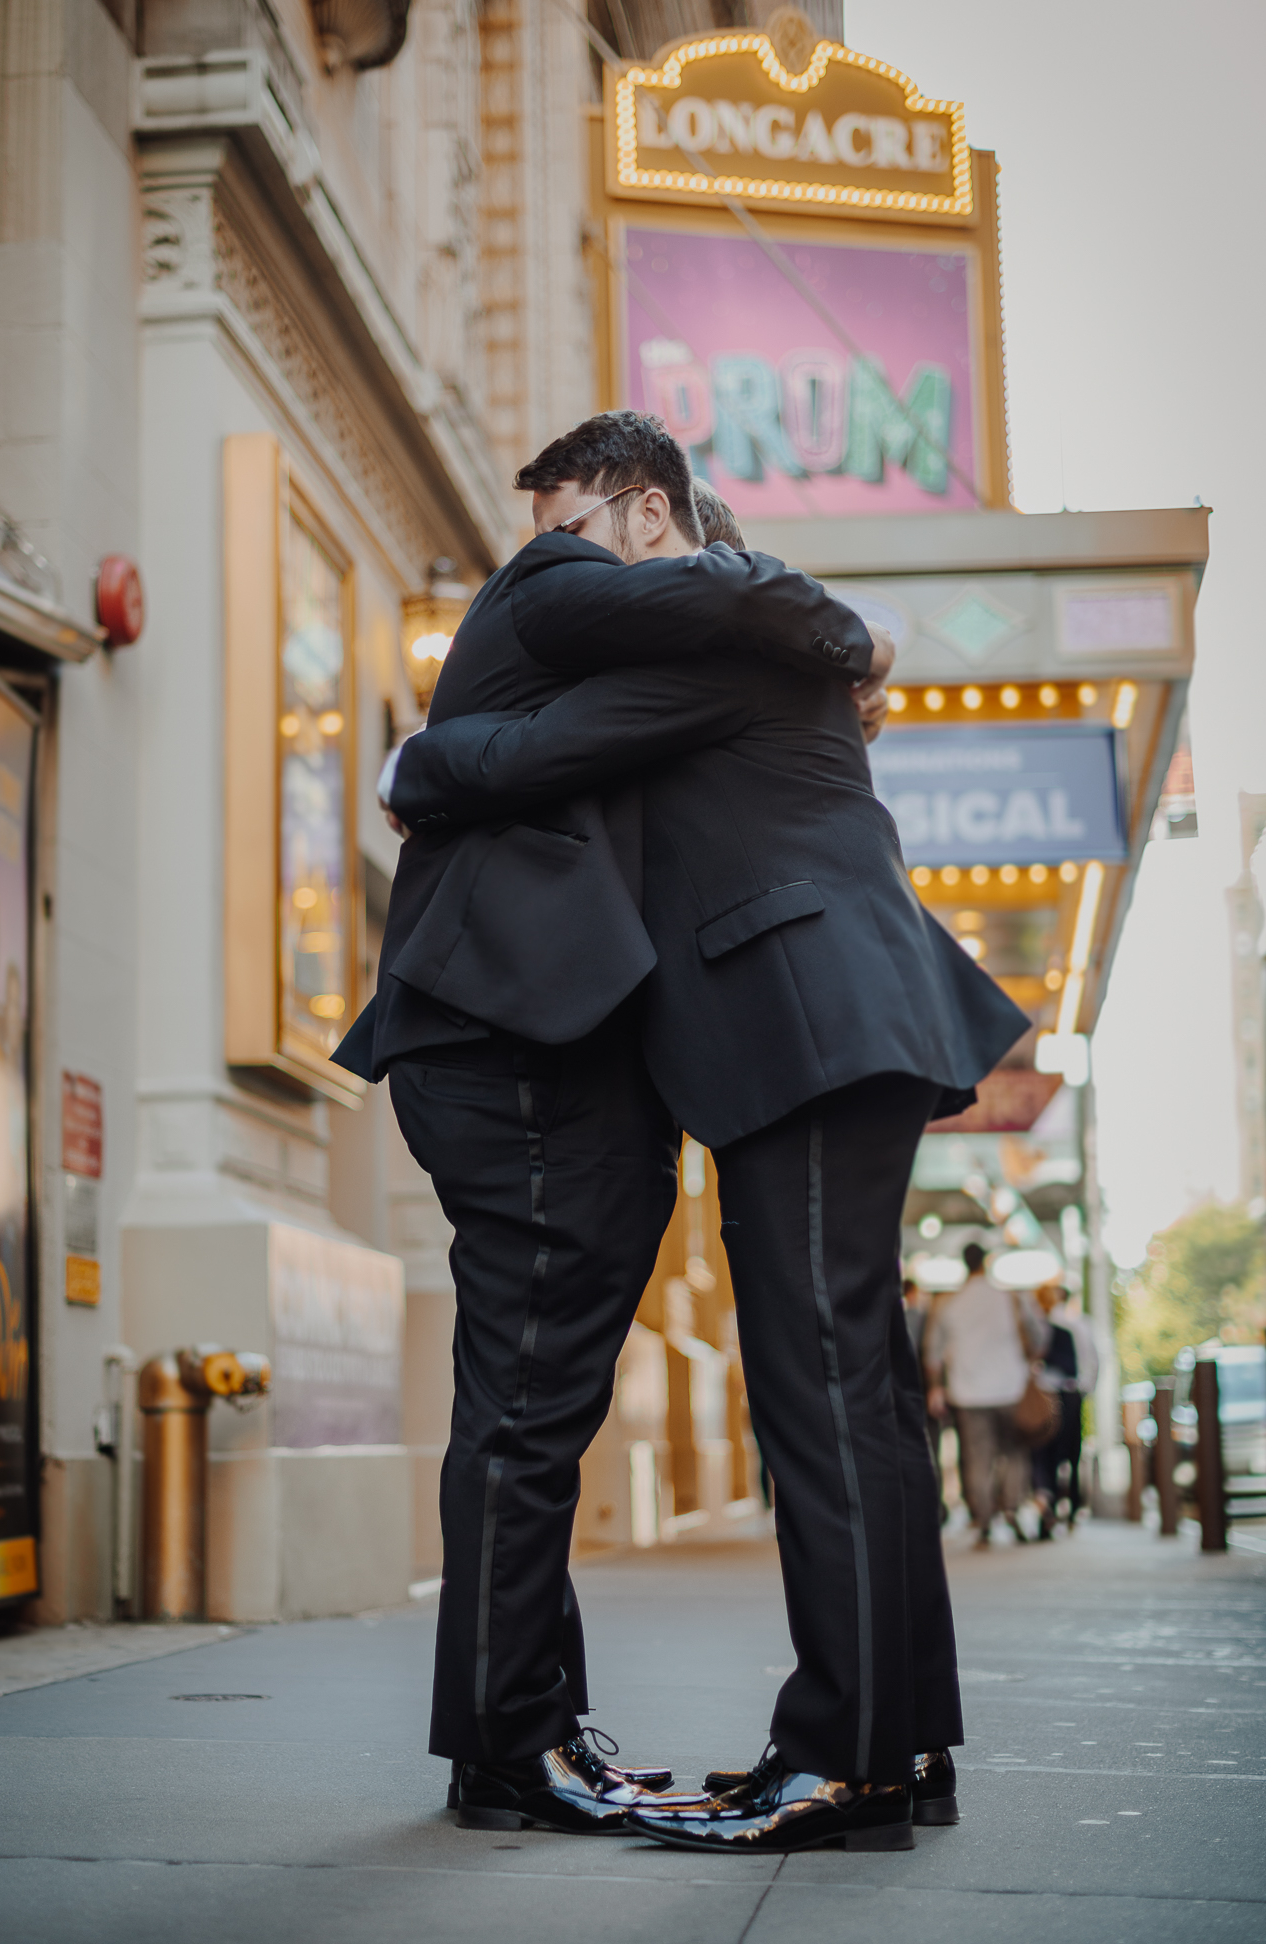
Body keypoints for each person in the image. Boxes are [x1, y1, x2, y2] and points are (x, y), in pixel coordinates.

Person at [371, 414, 1030, 1854]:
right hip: (821, 1026)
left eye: (571, 528)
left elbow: (526, 752)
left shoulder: (730, 634)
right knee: (853, 1393)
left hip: (801, 1027)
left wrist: (413, 766)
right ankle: (890, 1748)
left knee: (823, 1390)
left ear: (655, 525)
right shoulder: (733, 642)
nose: (545, 561)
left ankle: (845, 1759)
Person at [925, 1244, 1045, 1547]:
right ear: (987, 1263)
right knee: (1015, 1452)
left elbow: (932, 1352)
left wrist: (936, 1387)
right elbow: (1039, 1337)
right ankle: (1014, 1510)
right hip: (1011, 1388)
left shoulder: (948, 1303)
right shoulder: (1011, 1297)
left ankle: (985, 1521)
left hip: (968, 1392)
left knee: (977, 1458)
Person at [1032, 1280, 1098, 1534]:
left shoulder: (1042, 1328)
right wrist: (1086, 1389)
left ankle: (1048, 1501)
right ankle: (1070, 1506)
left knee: (1045, 1453)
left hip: (1044, 1397)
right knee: (1071, 1453)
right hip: (1072, 1393)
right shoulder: (1080, 1324)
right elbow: (1093, 1361)